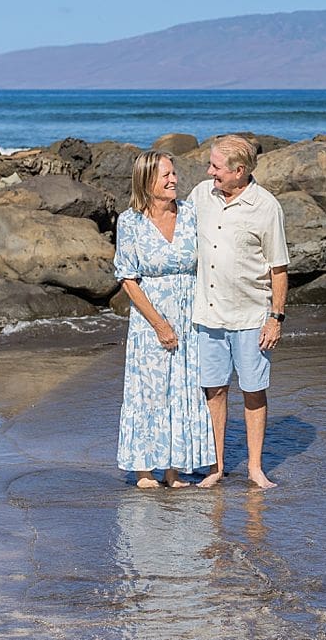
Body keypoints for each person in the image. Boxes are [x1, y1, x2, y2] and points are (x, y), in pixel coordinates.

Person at [191, 135, 289, 489]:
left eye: (216, 167)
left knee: (253, 391)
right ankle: (216, 466)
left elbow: (279, 269)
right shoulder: (201, 195)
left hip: (251, 318)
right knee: (214, 391)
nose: (209, 172)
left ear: (239, 171)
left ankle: (255, 468)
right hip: (207, 316)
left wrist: (275, 318)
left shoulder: (266, 207)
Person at [113, 151, 216, 488]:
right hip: (149, 321)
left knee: (183, 391)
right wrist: (159, 324)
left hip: (190, 317)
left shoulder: (189, 214)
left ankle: (173, 469)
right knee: (150, 392)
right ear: (147, 181)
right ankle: (144, 470)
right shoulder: (130, 222)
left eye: (174, 174)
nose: (174, 180)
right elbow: (128, 279)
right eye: (166, 176)